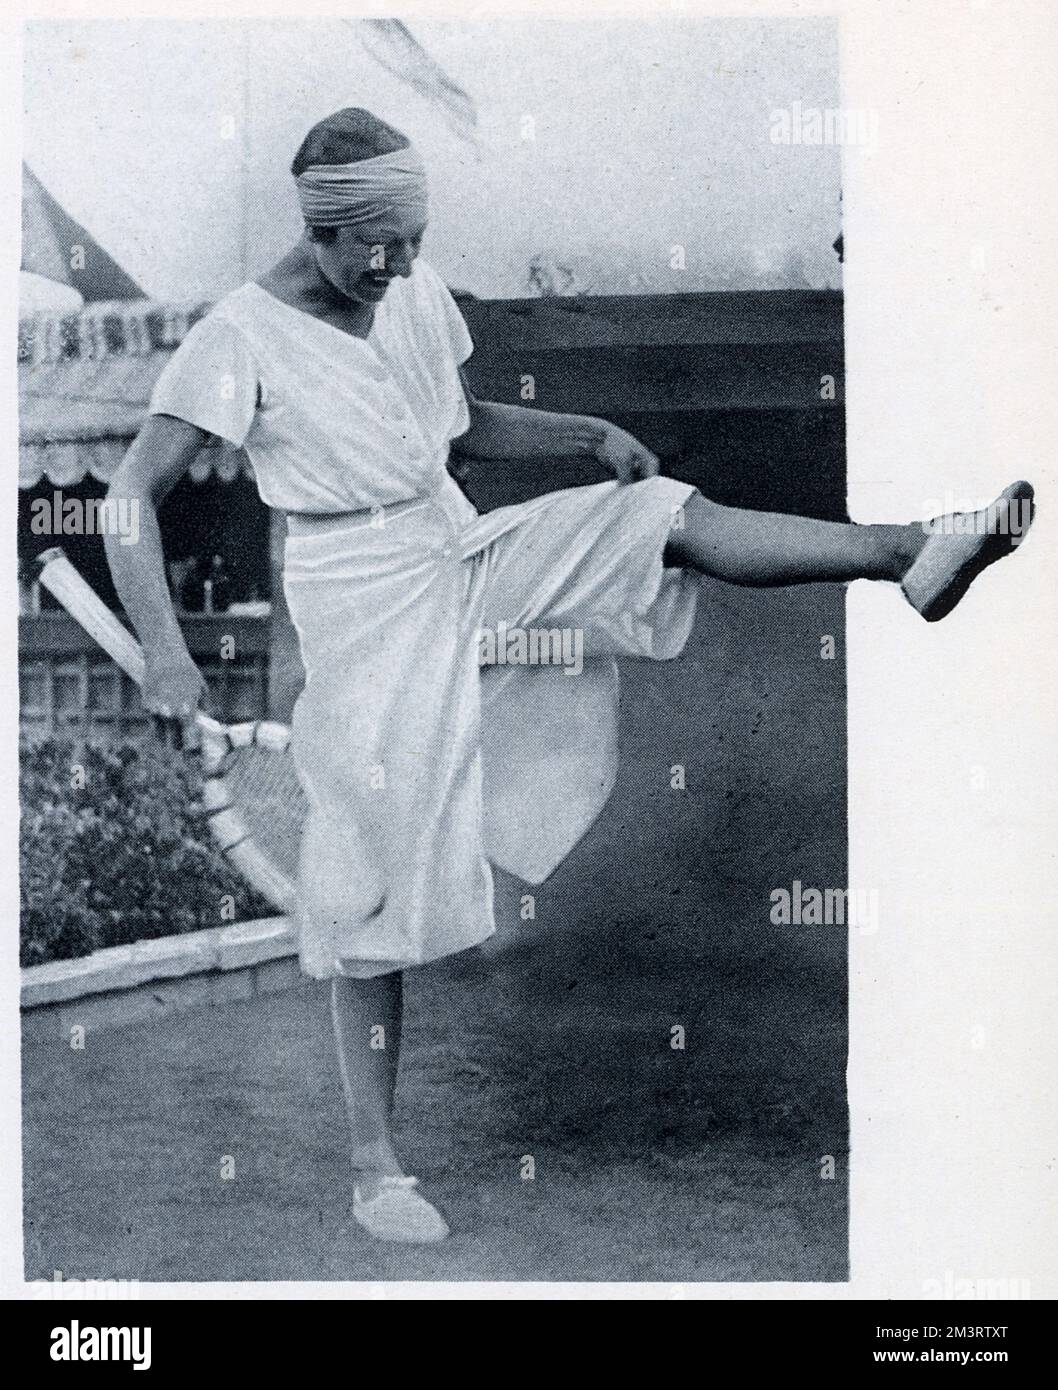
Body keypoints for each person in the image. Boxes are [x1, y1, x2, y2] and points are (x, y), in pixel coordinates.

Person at [104, 107, 1034, 1245]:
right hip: (358, 607)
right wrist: (162, 645)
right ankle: (373, 1168)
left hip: (453, 544)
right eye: (376, 247)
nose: (397, 264)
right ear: (320, 226)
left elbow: (453, 434)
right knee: (367, 894)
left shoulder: (411, 285)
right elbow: (126, 496)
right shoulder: (237, 335)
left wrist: (585, 432)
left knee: (655, 515)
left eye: (413, 237)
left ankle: (905, 553)